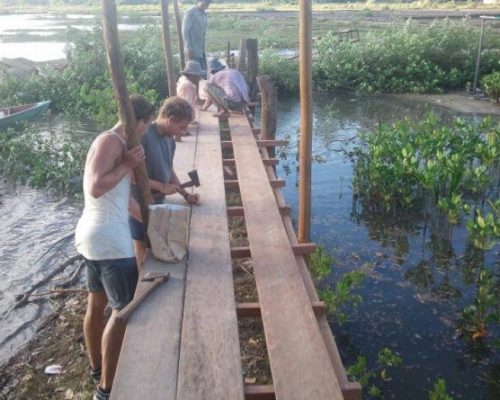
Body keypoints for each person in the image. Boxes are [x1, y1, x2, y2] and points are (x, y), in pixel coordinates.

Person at [74, 95, 155, 400]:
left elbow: (125, 200)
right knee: (122, 313)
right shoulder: (111, 141)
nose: (145, 132)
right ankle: (106, 389)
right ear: (141, 122)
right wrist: (128, 164)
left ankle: (97, 368)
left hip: (98, 237)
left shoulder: (117, 144)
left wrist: (151, 223)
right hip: (111, 242)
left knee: (97, 306)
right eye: (146, 126)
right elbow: (96, 185)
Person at [129, 96, 201, 267]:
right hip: (137, 203)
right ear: (170, 119)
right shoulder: (144, 135)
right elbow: (132, 176)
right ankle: (141, 284)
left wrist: (185, 194)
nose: (183, 132)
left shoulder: (169, 139)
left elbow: (169, 168)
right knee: (142, 246)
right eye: (181, 127)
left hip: (158, 201)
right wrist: (161, 186)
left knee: (156, 244)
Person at [182, 0, 211, 76]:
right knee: (193, 74)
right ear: (198, 1)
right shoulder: (190, 12)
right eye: (204, 3)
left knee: (203, 75)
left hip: (201, 50)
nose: (206, 5)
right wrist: (188, 46)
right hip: (192, 49)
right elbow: (185, 31)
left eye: (208, 3)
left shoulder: (204, 14)